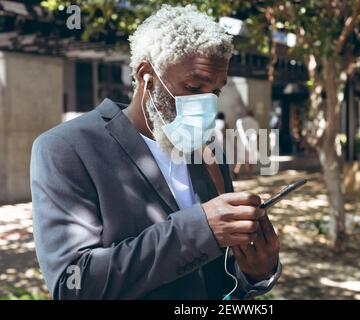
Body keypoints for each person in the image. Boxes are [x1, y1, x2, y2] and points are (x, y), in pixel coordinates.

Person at [30, 5, 281, 300]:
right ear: (146, 76)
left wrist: (256, 272)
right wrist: (200, 229)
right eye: (194, 86)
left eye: (215, 91)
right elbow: (73, 284)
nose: (207, 103)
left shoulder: (208, 149)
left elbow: (218, 275)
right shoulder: (66, 149)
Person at [234, 110, 260, 179]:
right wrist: (258, 144)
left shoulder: (241, 121)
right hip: (251, 142)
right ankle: (249, 174)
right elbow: (257, 134)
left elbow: (236, 133)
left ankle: (236, 171)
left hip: (241, 143)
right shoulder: (254, 122)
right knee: (250, 159)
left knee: (240, 159)